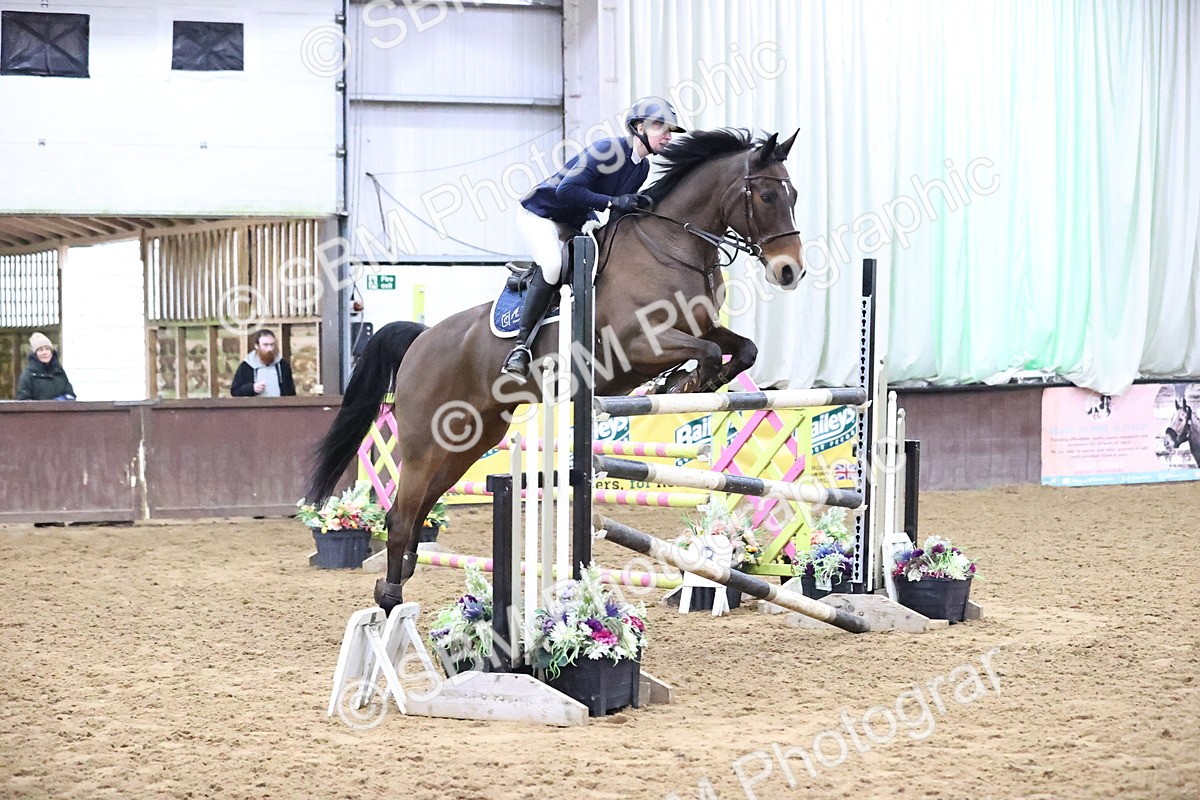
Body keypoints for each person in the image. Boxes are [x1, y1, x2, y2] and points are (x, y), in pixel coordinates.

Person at [500, 96, 685, 378]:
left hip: (576, 220)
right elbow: (566, 190)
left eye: (671, 130)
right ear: (638, 127)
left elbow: (611, 207)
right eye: (661, 126)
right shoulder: (607, 150)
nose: (668, 136)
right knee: (552, 265)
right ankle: (520, 348)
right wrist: (613, 202)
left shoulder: (641, 167)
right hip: (541, 214)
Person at [231, 329, 296, 397]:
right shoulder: (246, 366)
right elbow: (235, 391)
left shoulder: (282, 365)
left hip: (279, 406)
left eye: (272, 345)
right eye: (265, 345)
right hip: (255, 406)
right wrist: (252, 388)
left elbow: (291, 392)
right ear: (257, 346)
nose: (270, 349)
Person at [16, 332, 76, 400]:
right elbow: (23, 400)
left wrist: (59, 401)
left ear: (52, 352)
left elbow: (71, 395)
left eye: (47, 349)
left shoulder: (59, 372)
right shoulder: (29, 374)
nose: (45, 352)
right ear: (35, 354)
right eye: (40, 350)